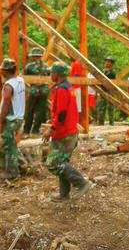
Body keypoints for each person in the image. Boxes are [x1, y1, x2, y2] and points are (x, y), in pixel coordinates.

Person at [43, 62, 91, 202]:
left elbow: (62, 114)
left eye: (52, 72)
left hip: (64, 133)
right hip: (70, 131)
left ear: (57, 74)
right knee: (63, 162)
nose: (50, 75)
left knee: (53, 163)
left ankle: (81, 183)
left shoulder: (62, 90)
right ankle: (64, 195)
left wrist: (51, 129)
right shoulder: (68, 88)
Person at [0, 58, 26, 180]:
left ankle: (13, 173)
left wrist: (0, 121)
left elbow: (6, 104)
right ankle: (23, 164)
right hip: (19, 117)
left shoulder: (8, 86)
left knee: (7, 146)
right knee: (12, 143)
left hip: (11, 119)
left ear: (4, 71)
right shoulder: (20, 81)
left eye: (1, 70)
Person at [23, 48, 49, 136]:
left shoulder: (29, 66)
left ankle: (26, 130)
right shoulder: (46, 66)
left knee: (30, 110)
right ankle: (35, 131)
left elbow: (26, 77)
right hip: (44, 90)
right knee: (40, 111)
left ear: (33, 56)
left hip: (34, 90)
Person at [97, 56, 117, 126]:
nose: (106, 63)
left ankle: (111, 123)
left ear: (111, 63)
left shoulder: (113, 73)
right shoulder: (102, 71)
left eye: (108, 62)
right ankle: (100, 123)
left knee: (110, 108)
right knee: (101, 108)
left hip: (110, 92)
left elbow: (113, 83)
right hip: (102, 91)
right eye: (106, 61)